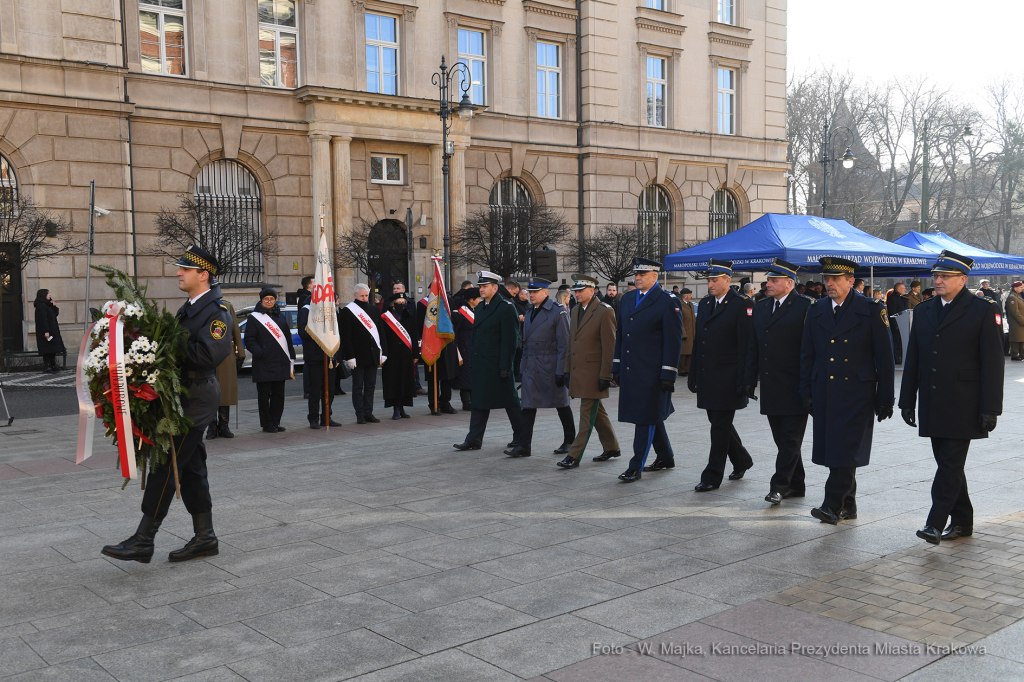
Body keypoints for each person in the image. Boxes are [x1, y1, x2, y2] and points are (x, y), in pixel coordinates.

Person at [102, 246, 232, 563]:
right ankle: (205, 537)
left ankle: (144, 539)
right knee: (190, 467)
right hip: (181, 393)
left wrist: (162, 344)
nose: (178, 273)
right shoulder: (189, 309)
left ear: (204, 275)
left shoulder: (218, 312)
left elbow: (208, 355)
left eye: (185, 269)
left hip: (197, 396)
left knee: (167, 463)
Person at [898, 251, 1004, 545]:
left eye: (945, 276)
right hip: (933, 401)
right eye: (936, 275)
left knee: (949, 465)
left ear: (963, 280)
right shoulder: (924, 309)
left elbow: (993, 364)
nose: (938, 280)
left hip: (965, 403)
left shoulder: (983, 309)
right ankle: (963, 521)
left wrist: (991, 408)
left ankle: (934, 523)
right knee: (950, 465)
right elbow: (915, 358)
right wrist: (907, 399)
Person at [800, 257, 895, 525]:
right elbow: (807, 354)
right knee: (835, 449)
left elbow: (884, 358)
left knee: (846, 448)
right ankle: (848, 504)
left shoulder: (871, 309)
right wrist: (806, 389)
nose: (829, 284)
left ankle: (831, 505)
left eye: (835, 279)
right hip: (825, 390)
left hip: (857, 391)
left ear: (851, 281)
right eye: (826, 279)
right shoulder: (817, 309)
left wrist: (885, 398)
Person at [744, 259, 812, 504]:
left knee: (790, 440)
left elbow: (810, 350)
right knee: (782, 439)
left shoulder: (806, 307)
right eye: (768, 279)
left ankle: (779, 486)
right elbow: (754, 346)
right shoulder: (761, 307)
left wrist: (810, 386)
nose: (768, 283)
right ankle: (797, 484)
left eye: (773, 280)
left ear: (789, 283)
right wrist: (749, 379)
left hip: (795, 386)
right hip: (772, 385)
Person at [612, 258, 683, 482]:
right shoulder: (628, 298)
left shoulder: (667, 301)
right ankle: (665, 456)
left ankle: (635, 466)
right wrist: (616, 365)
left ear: (655, 276)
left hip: (653, 372)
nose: (638, 278)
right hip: (632, 369)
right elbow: (622, 335)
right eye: (637, 274)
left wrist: (668, 373)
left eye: (644, 274)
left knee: (645, 419)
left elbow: (673, 342)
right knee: (649, 415)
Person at [688, 260, 755, 491]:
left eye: (715, 280)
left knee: (719, 426)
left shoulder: (742, 304)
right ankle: (742, 459)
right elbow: (700, 341)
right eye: (709, 280)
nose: (711, 284)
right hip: (708, 374)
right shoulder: (706, 304)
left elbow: (746, 345)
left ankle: (712, 475)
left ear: (728, 280)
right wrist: (693, 372)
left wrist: (745, 380)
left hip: (728, 377)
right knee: (719, 423)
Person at [454, 271, 525, 452]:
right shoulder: (480, 308)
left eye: (485, 286)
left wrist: (505, 366)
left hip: (498, 365)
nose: (481, 289)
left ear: (495, 288)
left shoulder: (506, 308)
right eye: (480, 286)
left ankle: (521, 437)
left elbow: (510, 341)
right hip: (481, 364)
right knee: (479, 402)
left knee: (511, 402)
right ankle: (474, 439)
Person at [558, 275, 620, 468]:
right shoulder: (575, 310)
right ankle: (611, 447)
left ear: (592, 291)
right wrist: (567, 370)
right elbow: (572, 343)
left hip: (594, 374)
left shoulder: (604, 311)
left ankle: (574, 455)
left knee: (586, 416)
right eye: (575, 291)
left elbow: (609, 346)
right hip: (579, 371)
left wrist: (606, 375)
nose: (576, 294)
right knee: (596, 412)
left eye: (580, 291)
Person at [511, 278, 575, 457]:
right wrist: (523, 366)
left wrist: (561, 370)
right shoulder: (530, 310)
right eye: (530, 292)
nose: (531, 295)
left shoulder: (558, 312)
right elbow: (525, 341)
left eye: (535, 292)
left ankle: (570, 440)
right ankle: (524, 444)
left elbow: (564, 343)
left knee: (561, 403)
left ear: (545, 293)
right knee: (528, 405)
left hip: (550, 364)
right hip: (532, 364)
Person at [245, 287, 294, 433]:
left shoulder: (280, 317)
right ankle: (267, 424)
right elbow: (249, 340)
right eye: (266, 299)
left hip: (280, 362)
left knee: (279, 395)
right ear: (261, 300)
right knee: (264, 396)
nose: (269, 301)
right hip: (263, 363)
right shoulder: (254, 318)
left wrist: (291, 356)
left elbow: (287, 339)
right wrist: (261, 353)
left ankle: (276, 421)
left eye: (271, 299)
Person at [340, 283, 388, 424]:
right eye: (361, 295)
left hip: (372, 354)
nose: (364, 298)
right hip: (357, 356)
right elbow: (346, 336)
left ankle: (369, 412)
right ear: (355, 295)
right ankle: (359, 414)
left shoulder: (374, 310)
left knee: (370, 386)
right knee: (357, 386)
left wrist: (383, 352)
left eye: (366, 295)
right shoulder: (348, 311)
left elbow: (381, 332)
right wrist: (350, 356)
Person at [417, 279, 459, 414]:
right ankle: (433, 403)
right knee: (433, 377)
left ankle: (445, 402)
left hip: (447, 343)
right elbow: (420, 326)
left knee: (448, 375)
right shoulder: (423, 304)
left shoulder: (449, 302)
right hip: (432, 344)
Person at [298, 295, 339, 429]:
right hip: (314, 356)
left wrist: (336, 354)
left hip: (329, 355)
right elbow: (303, 332)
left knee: (330, 389)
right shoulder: (306, 310)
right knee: (315, 389)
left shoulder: (329, 310)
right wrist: (319, 326)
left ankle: (327, 416)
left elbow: (336, 333)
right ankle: (313, 418)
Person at [207, 298, 244, 439]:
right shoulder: (200, 306)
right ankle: (211, 427)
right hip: (206, 352)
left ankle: (224, 426)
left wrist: (240, 352)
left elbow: (235, 328)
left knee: (225, 390)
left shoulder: (227, 306)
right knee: (208, 392)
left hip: (225, 353)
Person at [380, 292, 418, 419]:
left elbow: (414, 336)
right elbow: (382, 337)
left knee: (405, 380)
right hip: (392, 355)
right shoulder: (386, 318)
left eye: (403, 303)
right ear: (393, 304)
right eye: (399, 302)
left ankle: (402, 408)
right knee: (393, 381)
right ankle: (395, 408)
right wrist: (383, 354)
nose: (401, 305)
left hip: (406, 355)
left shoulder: (410, 317)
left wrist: (415, 354)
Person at [452, 287, 480, 410]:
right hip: (464, 348)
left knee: (474, 374)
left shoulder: (476, 310)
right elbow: (455, 332)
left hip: (474, 348)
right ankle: (466, 402)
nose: (480, 300)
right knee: (465, 376)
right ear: (471, 299)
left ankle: (475, 399)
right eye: (478, 298)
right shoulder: (461, 313)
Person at [33, 289, 65, 374]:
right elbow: (43, 319)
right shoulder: (41, 305)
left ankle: (53, 365)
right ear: (44, 295)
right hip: (46, 330)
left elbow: (54, 314)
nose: (50, 295)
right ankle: (47, 366)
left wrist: (53, 306)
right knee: (46, 349)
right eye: (48, 293)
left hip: (52, 329)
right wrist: (46, 331)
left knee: (52, 348)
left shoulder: (47, 304)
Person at [886, 282, 910, 363]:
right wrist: (895, 325)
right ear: (898, 289)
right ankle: (896, 357)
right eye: (903, 289)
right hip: (896, 324)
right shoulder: (893, 298)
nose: (905, 290)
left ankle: (901, 356)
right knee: (896, 341)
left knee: (901, 342)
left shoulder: (903, 297)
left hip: (904, 323)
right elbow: (892, 312)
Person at [677, 287, 696, 376]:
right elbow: (679, 321)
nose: (691, 296)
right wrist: (683, 333)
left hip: (691, 332)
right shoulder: (679, 305)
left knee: (690, 353)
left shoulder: (691, 305)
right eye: (690, 295)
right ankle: (681, 370)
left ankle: (687, 369)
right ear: (685, 296)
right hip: (685, 333)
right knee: (683, 353)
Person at [1005, 281, 1024, 361]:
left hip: (1019, 322)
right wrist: (1023, 321)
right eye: (1021, 287)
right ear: (1015, 288)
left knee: (1021, 338)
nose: (1022, 288)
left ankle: (1021, 354)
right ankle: (1014, 354)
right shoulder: (1012, 297)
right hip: (1016, 322)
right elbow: (1015, 312)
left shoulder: (1017, 296)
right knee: (1016, 338)